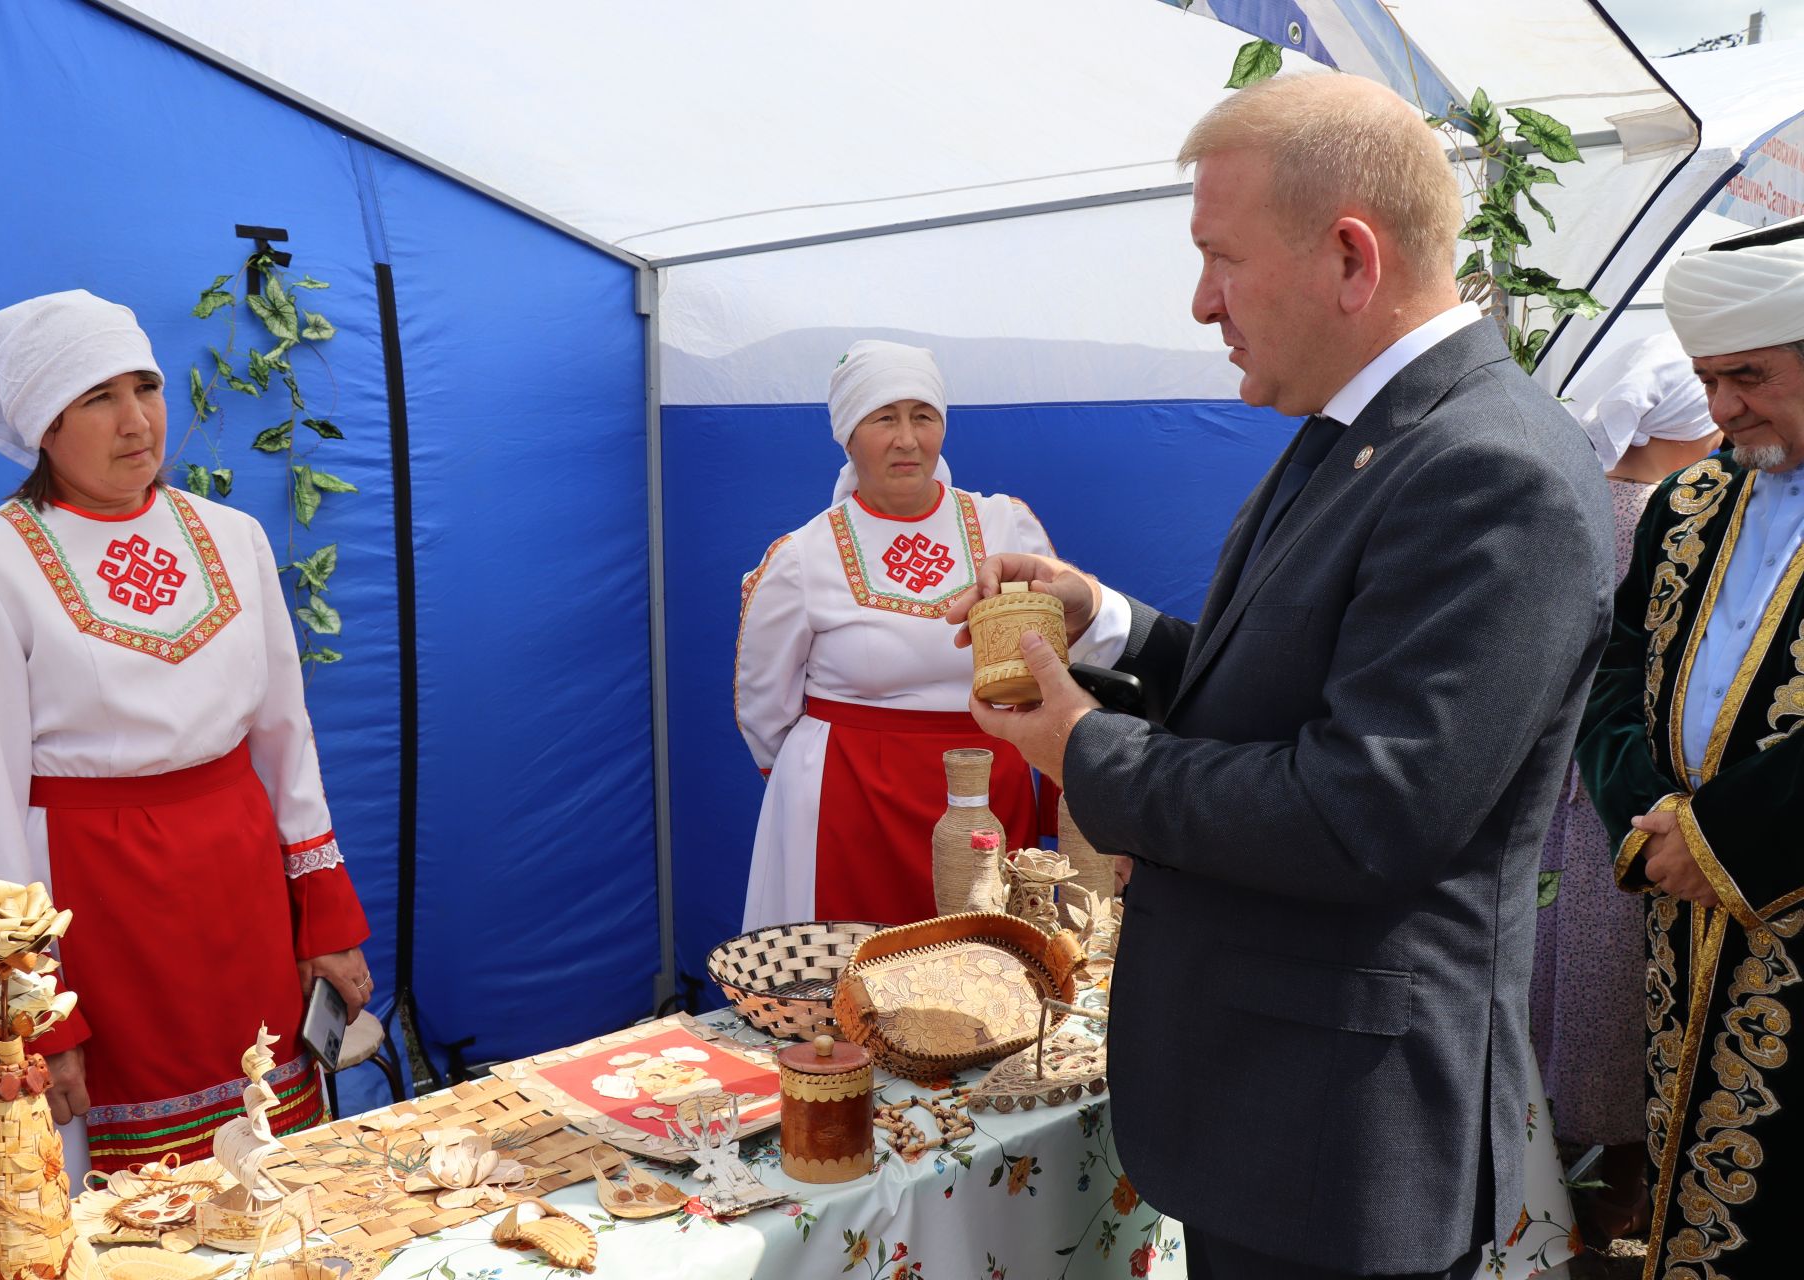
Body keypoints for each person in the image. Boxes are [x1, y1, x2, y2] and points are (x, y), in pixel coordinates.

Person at [949, 74, 1613, 1279]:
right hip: (1277, 1100)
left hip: (1339, 1132)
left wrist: (1081, 748)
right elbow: (1287, 687)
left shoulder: (1488, 471)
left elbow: (1363, 812)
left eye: (1220, 257)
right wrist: (1109, 625)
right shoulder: (1362, 429)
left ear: (1351, 258)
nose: (1201, 302)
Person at [0, 290, 372, 1209]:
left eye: (147, 386)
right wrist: (37, 1011)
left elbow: (286, 742)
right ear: (44, 425)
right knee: (114, 1207)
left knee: (271, 1174)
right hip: (98, 918)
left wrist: (324, 923)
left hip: (242, 902)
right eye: (97, 398)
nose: (137, 420)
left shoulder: (233, 539)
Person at [1575, 215, 1804, 1280]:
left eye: (1749, 375)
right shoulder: (1689, 500)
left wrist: (1721, 835)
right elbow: (1615, 672)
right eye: (1709, 379)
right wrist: (1651, 814)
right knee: (1689, 1178)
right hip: (1685, 921)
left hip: (1785, 912)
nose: (1721, 409)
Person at [734, 339, 1129, 928]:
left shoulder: (1003, 524)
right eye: (883, 418)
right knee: (850, 982)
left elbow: (1058, 653)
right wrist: (815, 774)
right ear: (847, 434)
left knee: (987, 975)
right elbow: (763, 704)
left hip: (985, 796)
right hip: (850, 805)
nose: (907, 439)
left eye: (923, 416)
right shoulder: (801, 557)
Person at [1529, 331, 1721, 1244]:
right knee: (1614, 967)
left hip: (1562, 774)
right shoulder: (1664, 516)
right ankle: (1624, 1174)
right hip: (1628, 782)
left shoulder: (1580, 503)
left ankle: (1555, 1142)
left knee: (1560, 959)